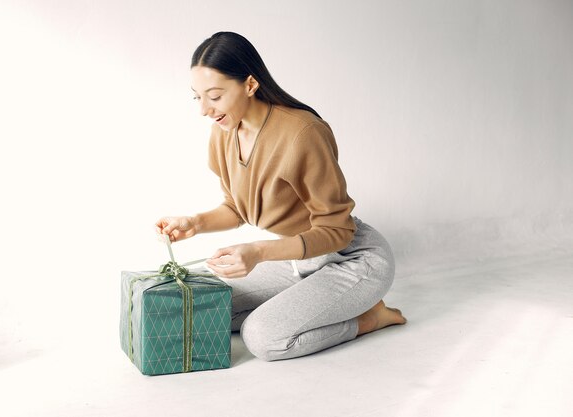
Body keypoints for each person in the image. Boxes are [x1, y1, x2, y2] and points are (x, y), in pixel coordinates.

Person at [155, 31, 406, 362]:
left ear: (249, 85)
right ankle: (305, 304)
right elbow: (237, 207)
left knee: (263, 337)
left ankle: (369, 317)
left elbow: (338, 230)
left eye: (214, 96)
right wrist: (195, 222)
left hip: (352, 259)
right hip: (296, 260)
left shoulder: (302, 133)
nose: (204, 110)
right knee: (204, 306)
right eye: (196, 97)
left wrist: (258, 252)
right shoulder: (224, 132)